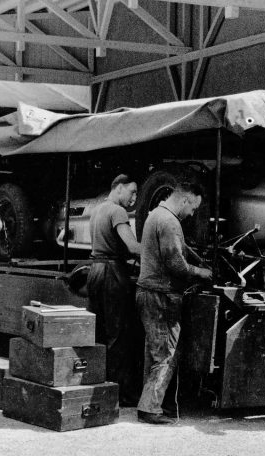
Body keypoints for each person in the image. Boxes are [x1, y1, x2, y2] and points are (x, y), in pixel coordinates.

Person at [136, 182, 212, 425]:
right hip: (162, 295)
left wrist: (193, 254)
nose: (192, 214)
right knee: (167, 353)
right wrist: (202, 272)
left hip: (149, 292)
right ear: (185, 200)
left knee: (155, 351)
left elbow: (178, 250)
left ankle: (150, 402)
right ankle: (150, 408)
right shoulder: (169, 222)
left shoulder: (155, 216)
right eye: (193, 208)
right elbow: (176, 265)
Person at [86, 174, 141, 404]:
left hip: (95, 270)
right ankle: (120, 394)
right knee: (118, 336)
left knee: (98, 333)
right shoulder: (117, 212)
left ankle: (97, 388)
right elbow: (131, 246)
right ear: (118, 188)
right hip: (112, 274)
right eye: (132, 192)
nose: (134, 198)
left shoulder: (97, 210)